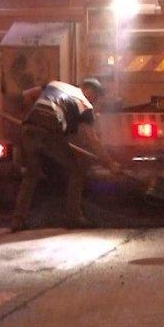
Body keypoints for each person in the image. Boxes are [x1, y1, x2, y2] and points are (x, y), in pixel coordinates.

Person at [11, 78, 120, 232]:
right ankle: (73, 216)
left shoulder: (55, 85)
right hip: (50, 134)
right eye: (95, 97)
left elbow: (27, 95)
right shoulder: (84, 105)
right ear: (90, 91)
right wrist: (109, 163)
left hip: (29, 128)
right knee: (76, 169)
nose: (94, 100)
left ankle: (18, 221)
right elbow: (92, 139)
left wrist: (34, 117)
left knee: (31, 174)